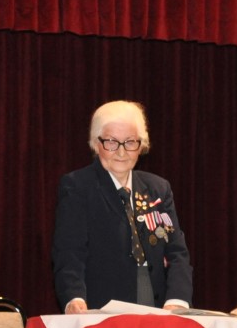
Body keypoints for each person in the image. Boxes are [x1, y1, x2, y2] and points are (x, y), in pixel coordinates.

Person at [52, 100, 192, 314]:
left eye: (130, 142)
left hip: (156, 303)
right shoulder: (78, 186)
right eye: (111, 142)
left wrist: (177, 300)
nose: (121, 152)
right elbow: (70, 252)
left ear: (141, 145)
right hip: (103, 306)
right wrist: (74, 297)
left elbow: (177, 252)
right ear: (96, 144)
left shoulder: (158, 188)